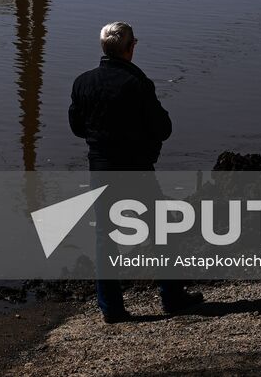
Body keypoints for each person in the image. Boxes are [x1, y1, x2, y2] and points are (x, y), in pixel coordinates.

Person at [69, 22, 202, 323]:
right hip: (136, 169)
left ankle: (111, 308)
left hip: (100, 169)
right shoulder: (137, 83)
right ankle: (172, 297)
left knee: (105, 236)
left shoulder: (82, 83)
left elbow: (77, 127)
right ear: (130, 49)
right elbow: (163, 128)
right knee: (161, 230)